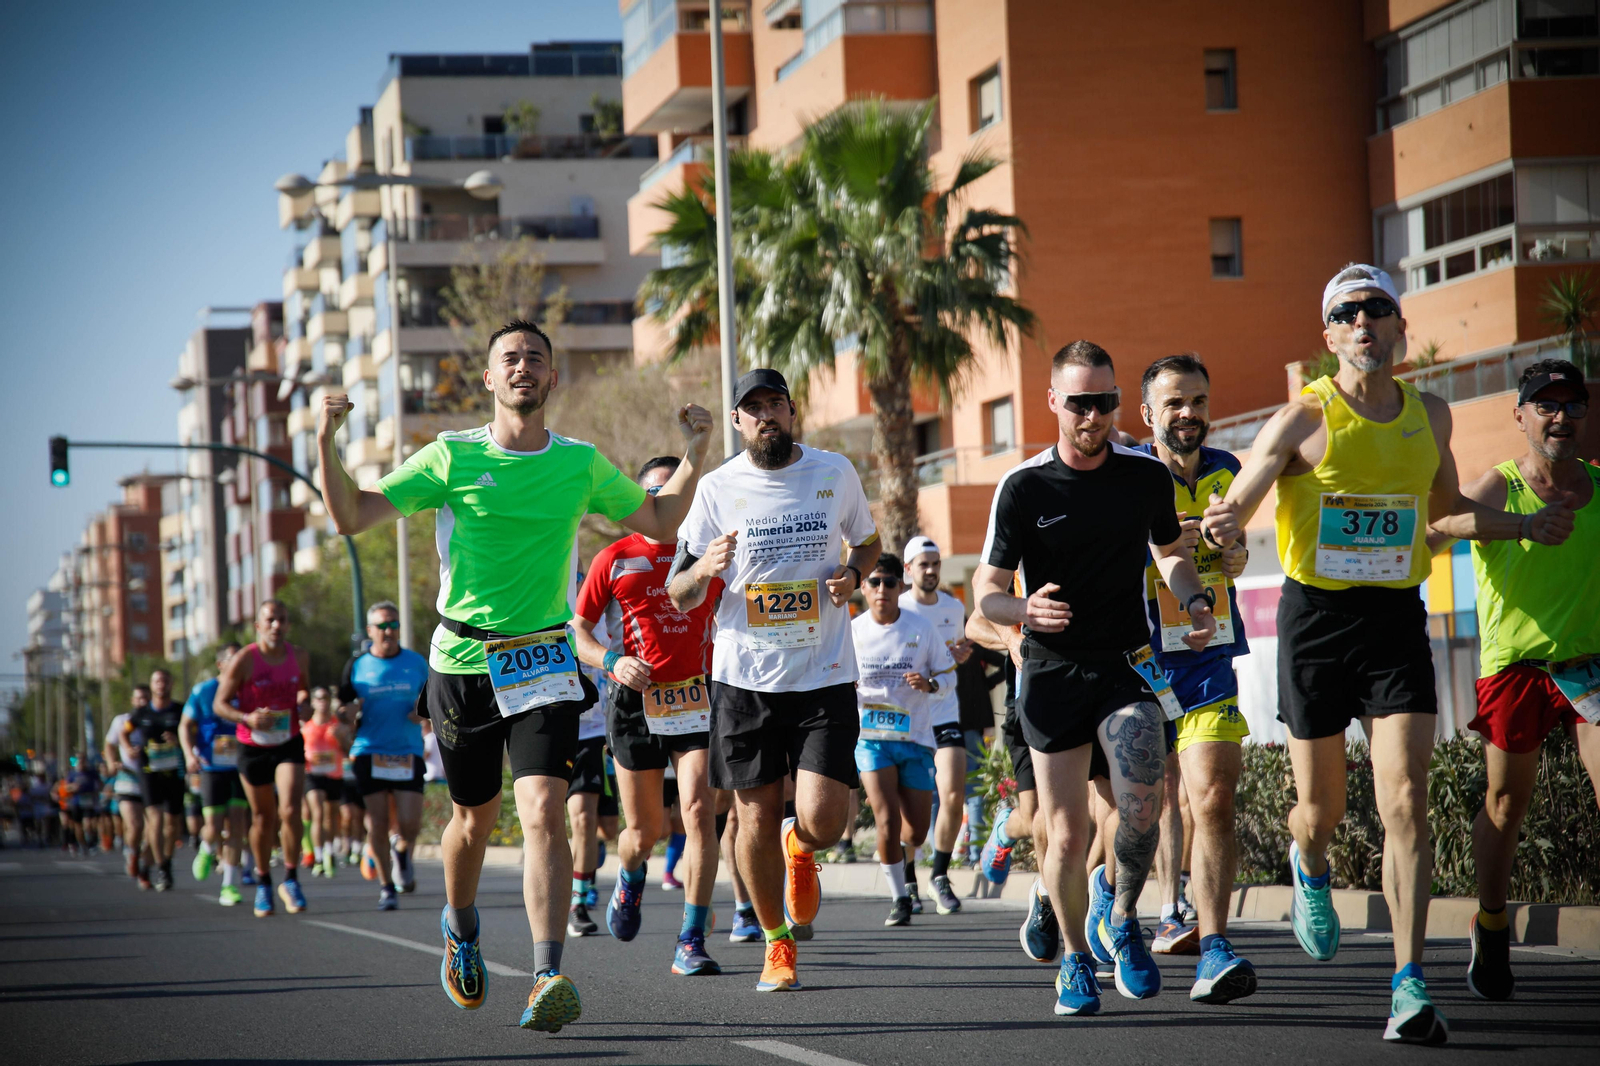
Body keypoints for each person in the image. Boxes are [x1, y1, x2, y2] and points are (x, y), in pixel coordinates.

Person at [1202, 264, 1575, 1044]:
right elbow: (1241, 503)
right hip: (1316, 623)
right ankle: (1311, 864)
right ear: (1330, 335)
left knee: (1405, 798)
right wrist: (1222, 525)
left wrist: (1523, 525)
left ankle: (1408, 984)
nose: (1365, 322)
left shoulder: (1429, 414)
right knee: (1322, 811)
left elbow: (1444, 515)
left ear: (1400, 328)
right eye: (1348, 312)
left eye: (1378, 309)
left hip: (1395, 619)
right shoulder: (1302, 418)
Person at [317, 318, 713, 1032]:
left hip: (542, 659)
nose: (523, 365)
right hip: (463, 662)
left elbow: (660, 519)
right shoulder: (450, 457)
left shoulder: (580, 463)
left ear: (552, 377)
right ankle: (460, 925)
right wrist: (325, 442)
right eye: (510, 358)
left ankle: (547, 973)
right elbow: (350, 514)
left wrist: (695, 449)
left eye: (536, 356)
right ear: (491, 378)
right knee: (473, 819)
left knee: (544, 814)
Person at [972, 340, 1216, 1018]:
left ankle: (1125, 912)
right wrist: (1023, 610)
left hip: (1126, 665)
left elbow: (1169, 552)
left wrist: (1194, 601)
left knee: (1142, 806)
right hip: (1051, 672)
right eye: (1080, 402)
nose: (1094, 415)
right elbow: (984, 593)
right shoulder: (1024, 487)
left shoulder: (1143, 477)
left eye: (1105, 402)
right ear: (1053, 402)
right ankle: (1076, 958)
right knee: (1066, 833)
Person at [669, 367, 880, 993]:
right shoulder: (714, 488)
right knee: (754, 818)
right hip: (745, 679)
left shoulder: (833, 471)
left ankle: (803, 848)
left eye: (776, 405)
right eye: (752, 408)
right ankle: (775, 940)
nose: (766, 416)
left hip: (825, 674)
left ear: (793, 413)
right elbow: (679, 594)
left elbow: (867, 545)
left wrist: (852, 575)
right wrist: (705, 565)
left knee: (825, 821)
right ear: (737, 422)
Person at [1425, 359, 1597, 1001]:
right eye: (1545, 406)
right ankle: (1491, 923)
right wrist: (1518, 528)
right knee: (1505, 804)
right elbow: (1440, 529)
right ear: (1520, 415)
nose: (1560, 417)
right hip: (1517, 668)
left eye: (1572, 405)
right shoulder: (1501, 486)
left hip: (1588, 663)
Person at [1130, 353, 1257, 999]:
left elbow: (1234, 560)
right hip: (1136, 659)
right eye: (1175, 403)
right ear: (1148, 414)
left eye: (1198, 401)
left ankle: (1212, 945)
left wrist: (1230, 550)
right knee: (1145, 803)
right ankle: (1118, 897)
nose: (1189, 413)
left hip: (1207, 650)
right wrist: (1158, 542)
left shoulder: (1228, 471)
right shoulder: (1125, 475)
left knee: (1210, 796)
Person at [572, 455, 724, 975]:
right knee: (644, 830)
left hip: (697, 697)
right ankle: (630, 877)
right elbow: (580, 631)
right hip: (633, 701)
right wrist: (613, 661)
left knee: (700, 812)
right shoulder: (613, 557)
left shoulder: (709, 558)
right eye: (654, 496)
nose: (665, 504)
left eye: (674, 494)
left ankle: (691, 939)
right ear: (640, 504)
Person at [851, 553, 952, 927]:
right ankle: (899, 898)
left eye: (889, 582)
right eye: (874, 582)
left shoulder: (921, 627)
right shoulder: (853, 631)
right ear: (862, 588)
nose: (881, 589)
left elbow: (948, 675)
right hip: (871, 739)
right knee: (887, 820)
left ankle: (907, 867)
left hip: (916, 738)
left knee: (916, 830)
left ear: (900, 586)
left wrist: (930, 684)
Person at [214, 599, 312, 918]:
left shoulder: (299, 655)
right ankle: (263, 881)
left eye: (282, 620)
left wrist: (305, 704)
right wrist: (247, 717)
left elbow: (304, 692)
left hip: (288, 741)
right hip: (253, 745)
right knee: (262, 818)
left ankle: (292, 878)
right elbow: (220, 703)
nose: (276, 626)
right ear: (258, 626)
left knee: (291, 808)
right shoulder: (244, 660)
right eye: (270, 620)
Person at [898, 536, 973, 916]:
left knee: (953, 795)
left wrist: (955, 659)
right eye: (922, 564)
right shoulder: (896, 609)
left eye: (935, 564)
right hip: (905, 719)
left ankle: (939, 874)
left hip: (943, 711)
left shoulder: (954, 606)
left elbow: (951, 661)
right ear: (908, 569)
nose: (930, 570)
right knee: (908, 806)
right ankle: (908, 878)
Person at [340, 601, 430, 911]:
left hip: (407, 750)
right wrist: (348, 712)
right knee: (376, 822)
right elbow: (343, 707)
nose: (388, 630)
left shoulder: (416, 663)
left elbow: (433, 698)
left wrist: (424, 713)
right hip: (370, 749)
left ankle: (402, 853)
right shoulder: (356, 666)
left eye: (393, 624)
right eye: (382, 626)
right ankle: (386, 886)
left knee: (409, 824)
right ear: (370, 631)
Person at [180, 642, 251, 906]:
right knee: (214, 826)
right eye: (233, 660)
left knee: (237, 826)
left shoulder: (248, 691)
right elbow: (185, 725)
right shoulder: (204, 691)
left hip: (240, 765)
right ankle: (207, 847)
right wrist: (189, 754)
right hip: (211, 767)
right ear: (221, 664)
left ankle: (229, 886)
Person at [129, 669, 187, 891]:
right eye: (156, 681)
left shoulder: (180, 710)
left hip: (173, 771)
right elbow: (126, 732)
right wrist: (127, 748)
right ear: (151, 685)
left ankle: (167, 860)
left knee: (172, 823)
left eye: (164, 680)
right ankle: (161, 865)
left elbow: (193, 732)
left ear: (171, 684)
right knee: (155, 819)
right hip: (149, 771)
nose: (160, 684)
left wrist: (178, 739)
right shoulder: (141, 713)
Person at [302, 687, 351, 882]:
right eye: (319, 698)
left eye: (326, 698)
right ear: (313, 702)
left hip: (334, 774)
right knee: (317, 813)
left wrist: (340, 737)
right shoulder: (306, 727)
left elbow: (348, 750)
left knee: (331, 817)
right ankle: (319, 857)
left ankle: (329, 853)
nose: (323, 702)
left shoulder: (338, 725)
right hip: (313, 775)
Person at [104, 695, 149, 886]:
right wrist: (111, 763)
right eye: (138, 698)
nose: (142, 702)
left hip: (152, 776)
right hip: (127, 777)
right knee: (135, 825)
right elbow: (109, 744)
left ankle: (145, 867)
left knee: (153, 830)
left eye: (145, 698)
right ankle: (132, 852)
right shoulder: (121, 721)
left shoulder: (156, 719)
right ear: (132, 700)